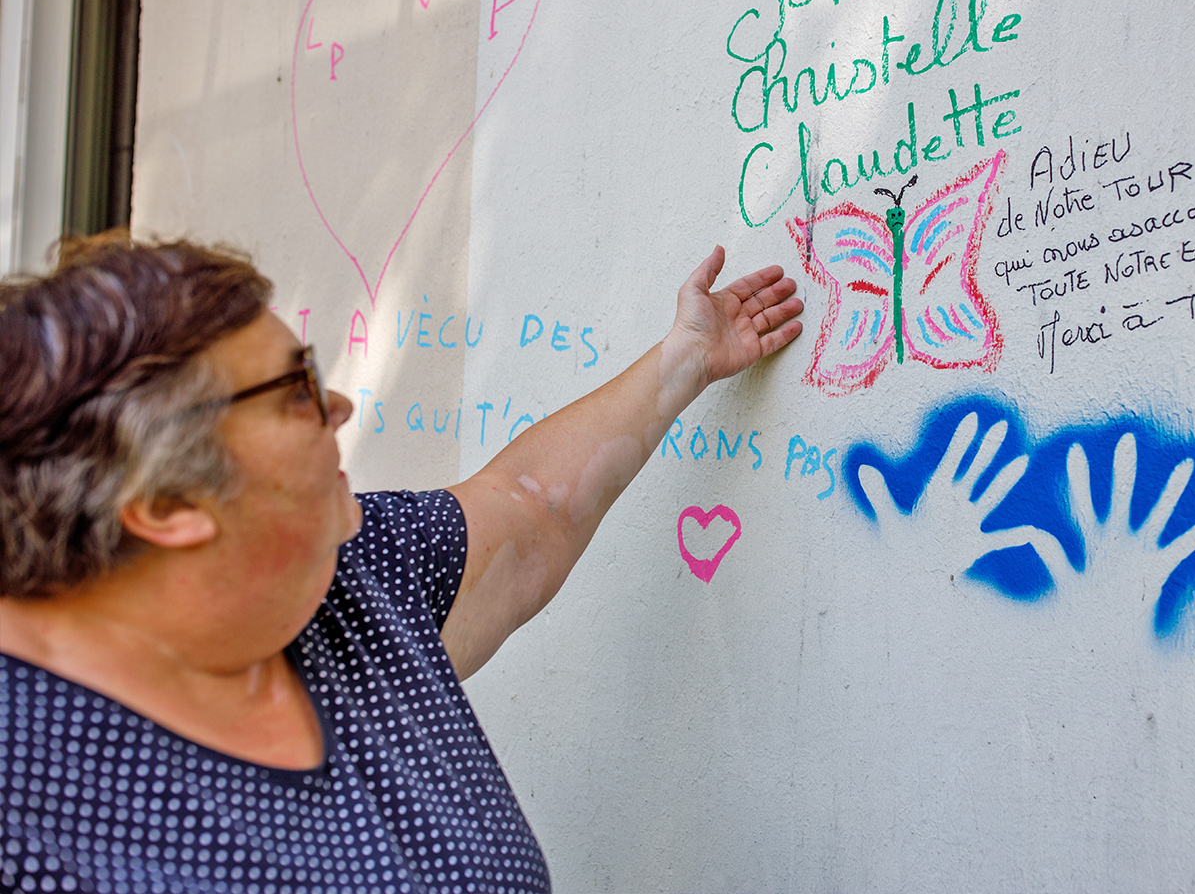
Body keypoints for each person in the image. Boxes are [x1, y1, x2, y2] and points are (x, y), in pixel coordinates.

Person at [0, 234, 802, 893]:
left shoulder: (348, 577)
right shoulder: (28, 813)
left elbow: (532, 509)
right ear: (166, 502)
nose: (339, 405)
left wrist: (688, 356)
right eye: (297, 389)